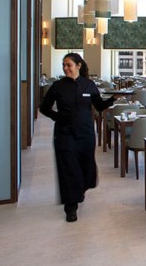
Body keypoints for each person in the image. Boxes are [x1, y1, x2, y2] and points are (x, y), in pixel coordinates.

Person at [39, 53, 117, 222]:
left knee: (86, 167)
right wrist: (58, 117)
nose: (65, 68)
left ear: (78, 66)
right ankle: (71, 208)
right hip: (64, 134)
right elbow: (44, 108)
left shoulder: (89, 85)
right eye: (64, 65)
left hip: (86, 133)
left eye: (69, 65)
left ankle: (79, 190)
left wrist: (113, 99)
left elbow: (99, 106)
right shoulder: (58, 86)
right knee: (69, 169)